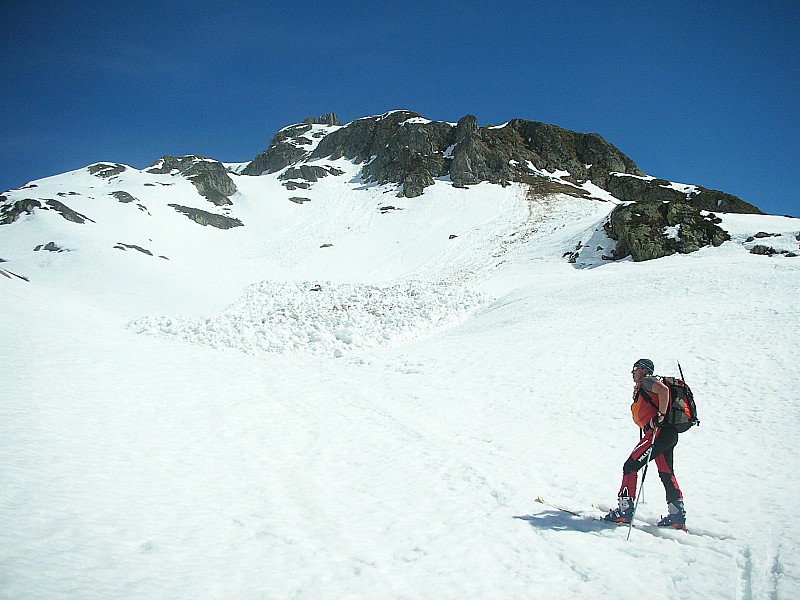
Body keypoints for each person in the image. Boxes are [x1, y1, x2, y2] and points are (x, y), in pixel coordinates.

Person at [603, 358, 686, 529]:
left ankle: (625, 511)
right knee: (666, 472)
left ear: (643, 369)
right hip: (667, 434)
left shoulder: (648, 380)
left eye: (635, 369)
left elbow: (663, 391)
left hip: (659, 432)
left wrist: (660, 416)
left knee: (630, 466)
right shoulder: (644, 386)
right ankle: (677, 515)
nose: (632, 372)